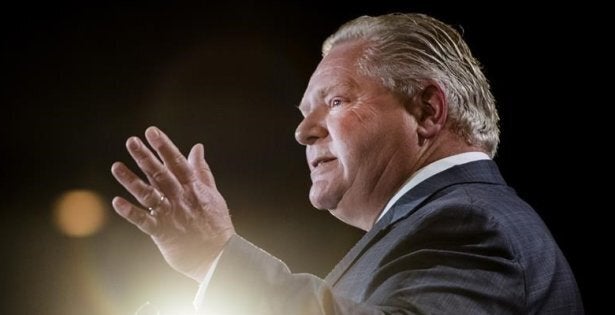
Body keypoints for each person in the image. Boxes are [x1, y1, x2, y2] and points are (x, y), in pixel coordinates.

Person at [111, 12, 583, 314]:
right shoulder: (440, 229)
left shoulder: (471, 225)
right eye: (304, 113)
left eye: (335, 102)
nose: (303, 131)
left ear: (427, 111)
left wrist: (217, 256)